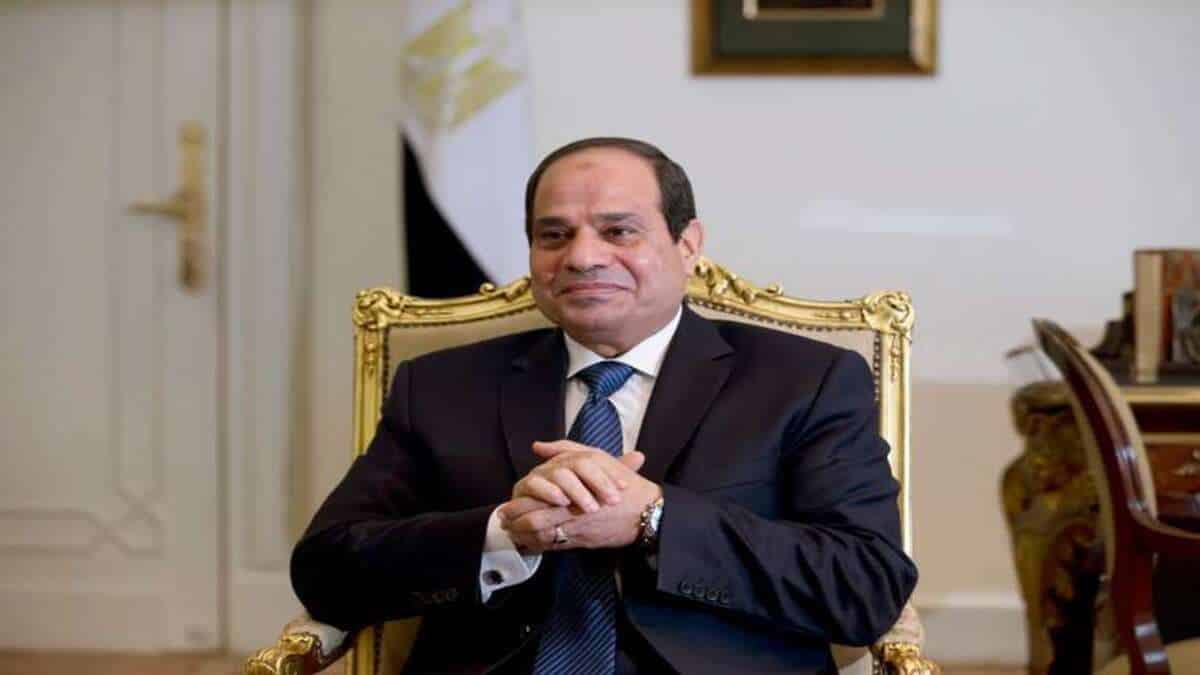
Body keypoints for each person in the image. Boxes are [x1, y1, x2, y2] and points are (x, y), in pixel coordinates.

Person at [291, 137, 918, 674]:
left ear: (688, 243)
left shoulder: (805, 380)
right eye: (553, 235)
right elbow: (326, 569)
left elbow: (866, 585)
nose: (583, 257)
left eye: (619, 231)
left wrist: (656, 518)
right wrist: (500, 534)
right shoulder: (442, 385)